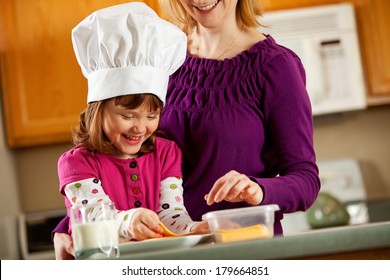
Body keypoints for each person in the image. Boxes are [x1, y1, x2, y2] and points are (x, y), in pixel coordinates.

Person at [53, 0, 321, 259]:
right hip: (169, 255)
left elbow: (305, 180)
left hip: (244, 252)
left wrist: (258, 189)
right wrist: (67, 226)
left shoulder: (276, 66)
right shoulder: (159, 57)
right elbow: (117, 162)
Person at [57, 2, 208, 257]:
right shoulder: (76, 163)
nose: (140, 127)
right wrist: (129, 221)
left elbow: (171, 213)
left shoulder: (166, 152)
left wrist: (193, 229)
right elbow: (94, 215)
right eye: (127, 115)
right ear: (98, 110)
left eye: (152, 115)